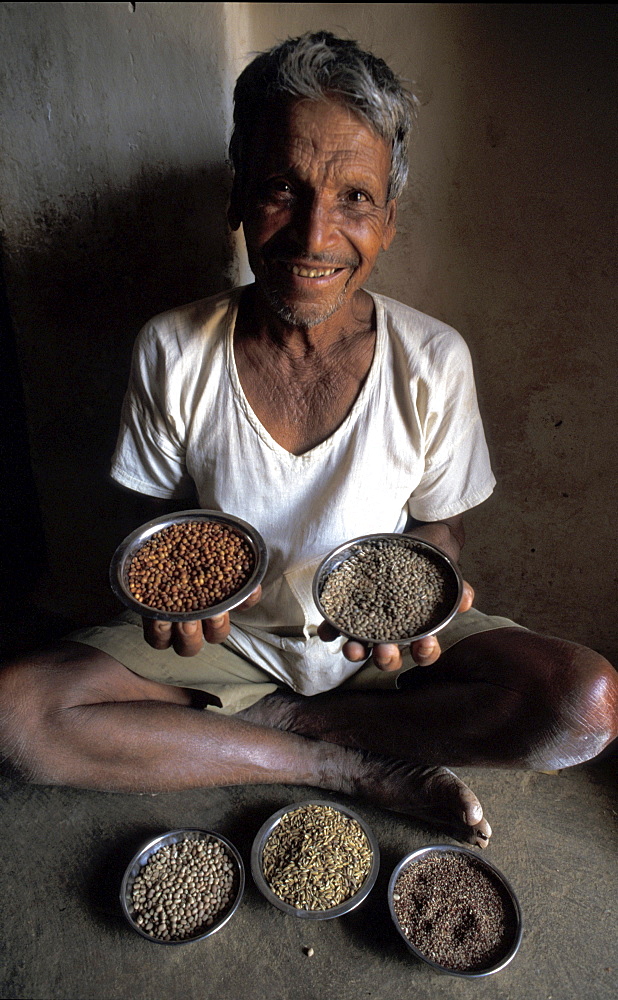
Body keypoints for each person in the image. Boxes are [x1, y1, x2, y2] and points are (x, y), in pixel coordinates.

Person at [1, 32, 616, 847]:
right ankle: (343, 762)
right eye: (280, 190)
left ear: (389, 221)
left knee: (583, 706)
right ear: (237, 202)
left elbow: (441, 525)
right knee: (17, 717)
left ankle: (292, 725)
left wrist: (426, 593)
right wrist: (167, 606)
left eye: (354, 198)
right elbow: (159, 530)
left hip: (374, 645)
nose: (315, 236)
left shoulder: (433, 360)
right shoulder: (173, 348)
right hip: (233, 639)